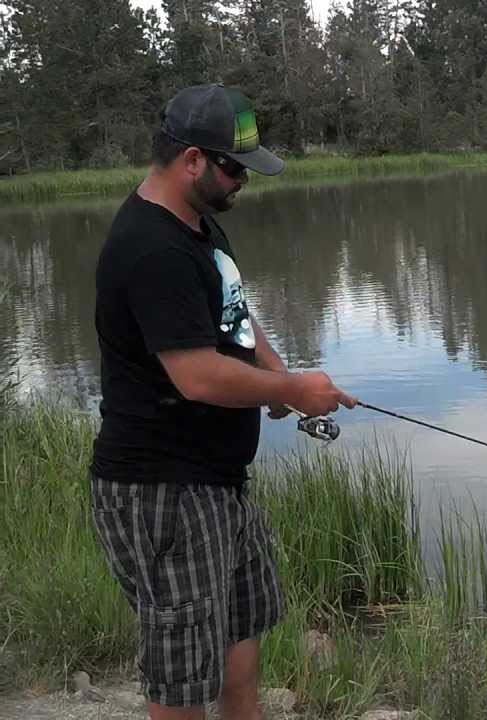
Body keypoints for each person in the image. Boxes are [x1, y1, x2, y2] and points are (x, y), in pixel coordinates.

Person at [89, 83, 356, 720]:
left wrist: (276, 375)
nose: (244, 181)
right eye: (234, 168)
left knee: (241, 644)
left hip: (217, 484)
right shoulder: (152, 248)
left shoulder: (198, 223)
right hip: (162, 492)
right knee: (182, 679)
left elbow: (232, 315)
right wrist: (293, 389)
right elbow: (198, 376)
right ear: (192, 160)